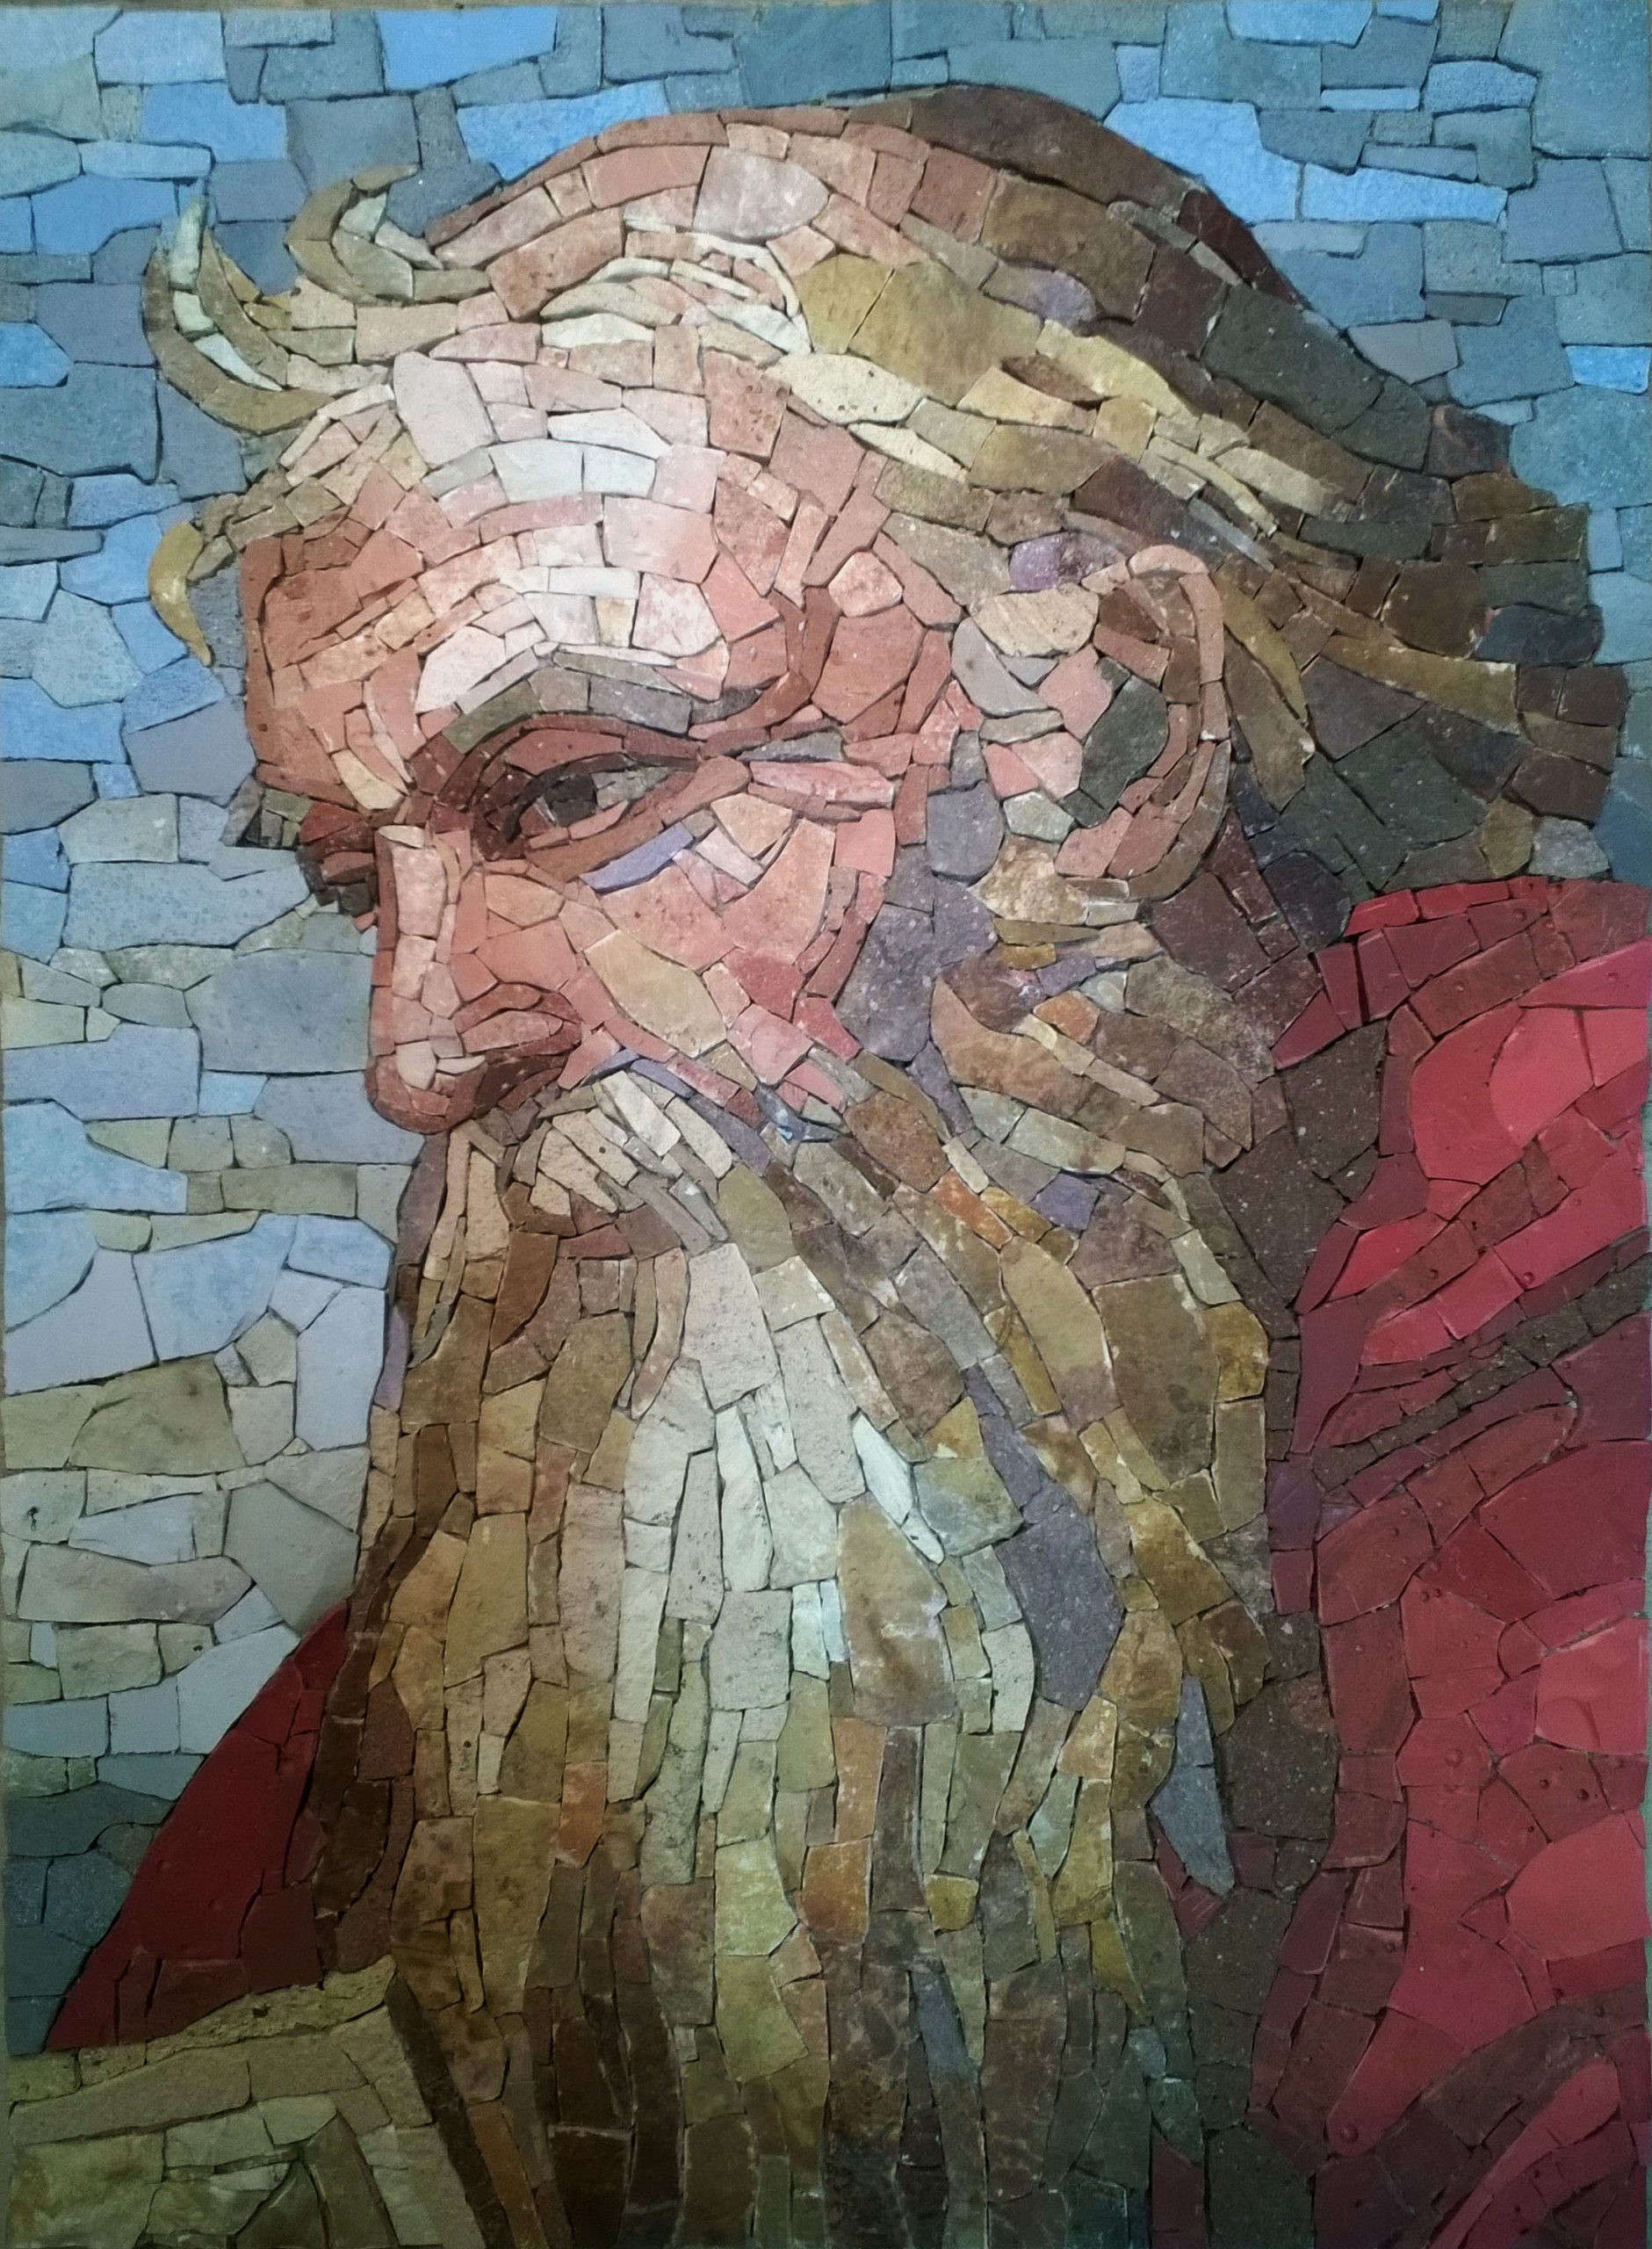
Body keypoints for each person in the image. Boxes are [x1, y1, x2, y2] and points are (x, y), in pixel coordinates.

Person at [47, 88, 1643, 2249]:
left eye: (572, 791)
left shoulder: (1580, 1401)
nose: (418, 1046)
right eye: (357, 883)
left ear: (1111, 737)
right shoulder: (563, 1523)